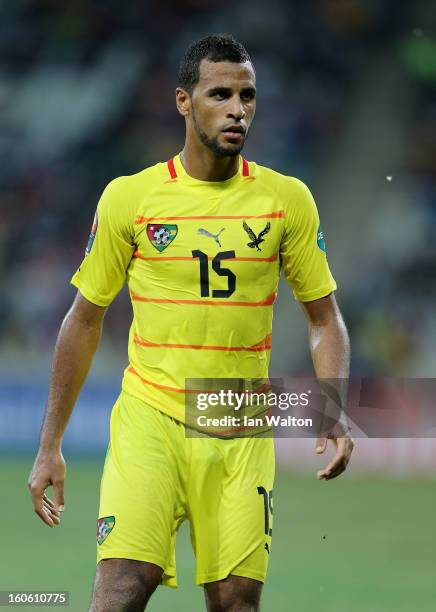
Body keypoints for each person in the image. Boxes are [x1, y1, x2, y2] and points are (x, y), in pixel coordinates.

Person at [28, 34, 354, 612]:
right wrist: (49, 444)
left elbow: (324, 317)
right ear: (184, 101)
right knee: (121, 590)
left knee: (236, 603)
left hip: (238, 415)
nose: (237, 109)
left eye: (248, 95)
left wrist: (333, 410)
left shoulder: (287, 200)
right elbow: (83, 320)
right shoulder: (130, 198)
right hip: (150, 417)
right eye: (220, 94)